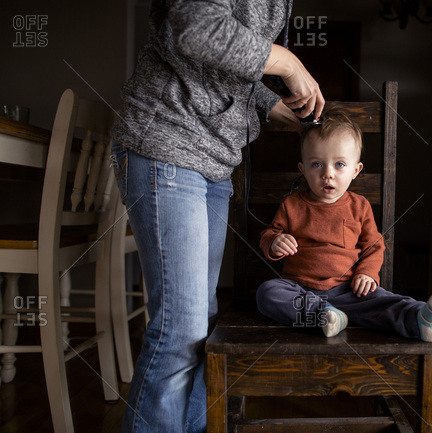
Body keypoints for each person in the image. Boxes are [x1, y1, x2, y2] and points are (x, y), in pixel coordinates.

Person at [110, 1, 324, 432]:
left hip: (213, 162)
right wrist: (287, 62)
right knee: (179, 328)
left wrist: (269, 104)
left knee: (200, 325)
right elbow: (196, 26)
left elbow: (219, 64)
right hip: (167, 144)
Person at [256, 110, 432, 341]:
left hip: (349, 290)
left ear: (356, 170)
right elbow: (270, 233)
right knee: (268, 293)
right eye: (317, 164)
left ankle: (418, 319)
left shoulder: (359, 206)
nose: (327, 174)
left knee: (382, 299)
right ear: (303, 169)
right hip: (301, 289)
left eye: (339, 164)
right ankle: (323, 316)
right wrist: (275, 241)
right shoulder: (291, 204)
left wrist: (367, 273)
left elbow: (373, 246)